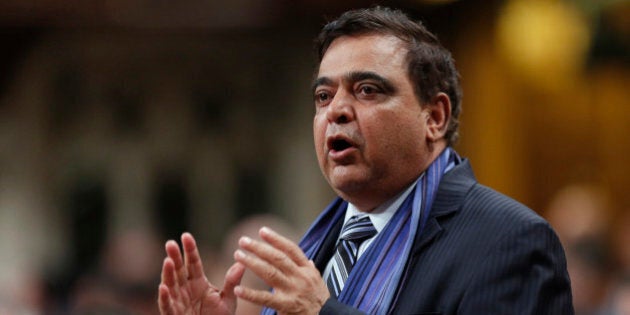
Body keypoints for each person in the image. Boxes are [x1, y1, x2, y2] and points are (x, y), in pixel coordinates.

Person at [158, 6, 574, 315]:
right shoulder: (321, 243)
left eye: (368, 90)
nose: (336, 110)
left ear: (434, 117)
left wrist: (325, 313)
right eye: (324, 96)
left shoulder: (509, 241)